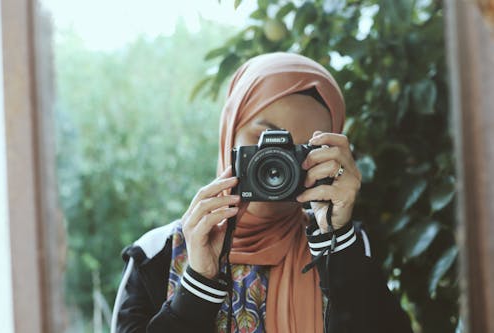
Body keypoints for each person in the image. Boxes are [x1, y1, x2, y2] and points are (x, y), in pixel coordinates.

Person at [110, 52, 413, 333]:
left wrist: (338, 246)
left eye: (302, 149)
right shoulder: (158, 251)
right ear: (230, 132)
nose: (278, 162)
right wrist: (198, 283)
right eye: (263, 137)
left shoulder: (345, 244)